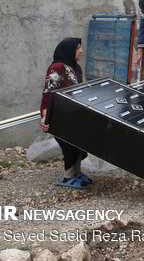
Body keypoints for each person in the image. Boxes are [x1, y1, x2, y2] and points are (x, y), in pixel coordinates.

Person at [40, 37, 92, 189]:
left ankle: (77, 173)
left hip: (74, 114)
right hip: (59, 115)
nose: (81, 51)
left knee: (78, 144)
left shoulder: (76, 68)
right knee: (68, 145)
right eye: (77, 48)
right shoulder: (57, 68)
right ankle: (68, 176)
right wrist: (45, 118)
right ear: (69, 50)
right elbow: (48, 93)